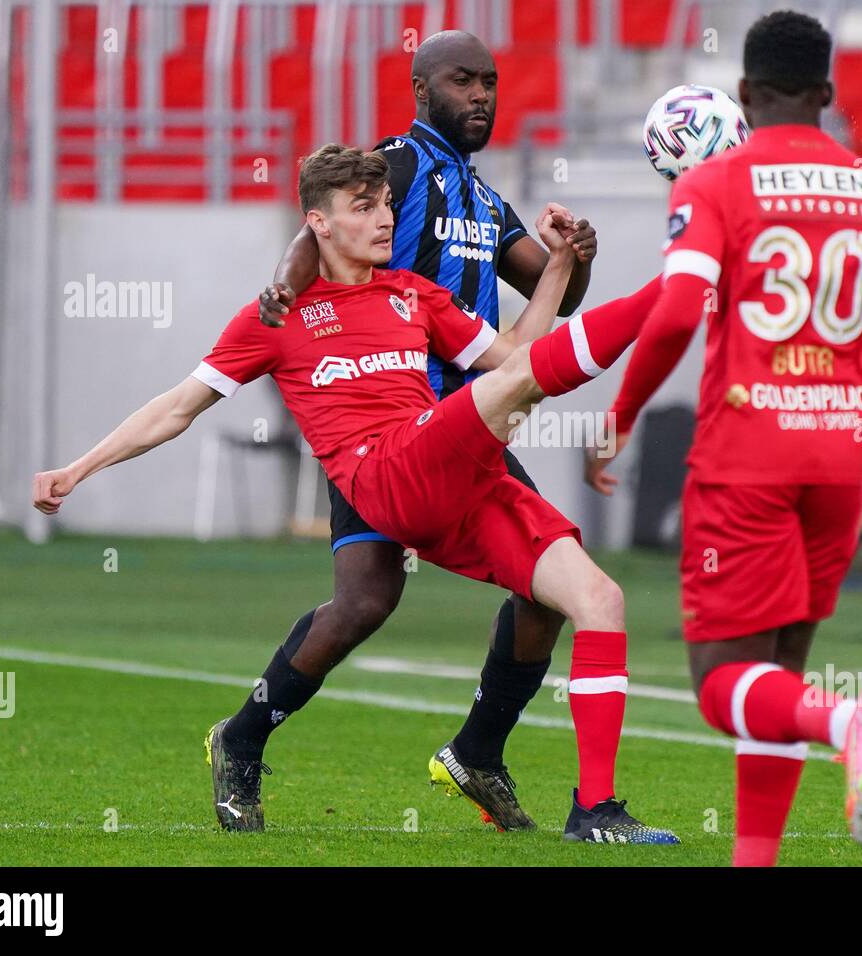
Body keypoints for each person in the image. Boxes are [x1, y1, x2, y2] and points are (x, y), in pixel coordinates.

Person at [34, 143, 681, 844]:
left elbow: (520, 362)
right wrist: (79, 468)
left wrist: (557, 271)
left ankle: (594, 811)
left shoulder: (414, 295)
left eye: (385, 204)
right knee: (374, 586)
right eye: (363, 207)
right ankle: (679, 288)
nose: (383, 218)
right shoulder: (276, 318)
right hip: (384, 478)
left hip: (456, 478)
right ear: (318, 222)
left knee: (597, 599)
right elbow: (176, 407)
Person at [585, 9, 862, 867]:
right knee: (778, 677)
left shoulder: (716, 185)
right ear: (829, 95)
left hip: (746, 458)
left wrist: (617, 418)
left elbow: (673, 316)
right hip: (838, 460)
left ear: (742, 95)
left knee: (722, 684)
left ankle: (850, 721)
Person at [256, 30, 599, 832]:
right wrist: (282, 286)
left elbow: (556, 293)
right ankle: (243, 737)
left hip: (469, 435)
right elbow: (316, 232)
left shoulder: (482, 200)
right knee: (366, 602)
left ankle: (479, 750)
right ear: (422, 87)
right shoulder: (397, 168)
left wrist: (573, 255)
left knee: (549, 585)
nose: (481, 94)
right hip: (388, 427)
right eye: (462, 80)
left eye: (490, 81)